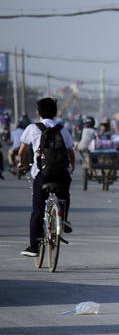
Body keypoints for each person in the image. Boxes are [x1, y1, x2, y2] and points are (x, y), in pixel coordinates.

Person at [18, 98, 75, 257]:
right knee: (64, 195)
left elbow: (21, 152)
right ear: (55, 113)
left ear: (38, 113)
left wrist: (22, 164)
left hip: (41, 174)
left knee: (37, 209)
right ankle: (62, 219)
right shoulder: (62, 129)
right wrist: (72, 167)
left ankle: (34, 247)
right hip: (61, 174)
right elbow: (71, 153)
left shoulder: (32, 128)